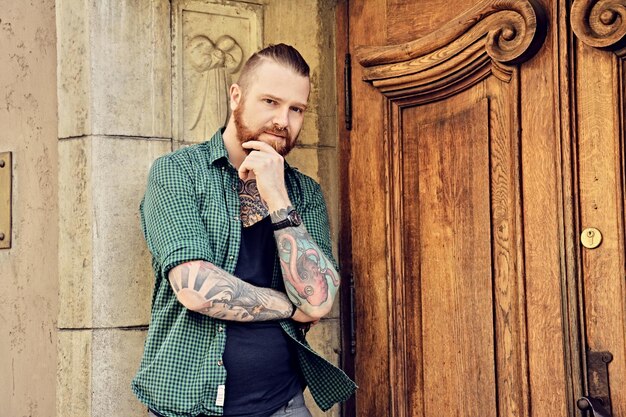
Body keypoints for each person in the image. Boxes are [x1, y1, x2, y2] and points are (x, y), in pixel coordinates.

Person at [132, 43, 356, 417]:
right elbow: (195, 288)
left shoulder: (304, 192)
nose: (283, 120)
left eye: (296, 109)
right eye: (270, 101)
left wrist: (276, 196)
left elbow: (318, 301)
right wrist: (288, 306)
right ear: (236, 96)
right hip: (189, 406)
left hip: (283, 405)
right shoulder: (178, 173)